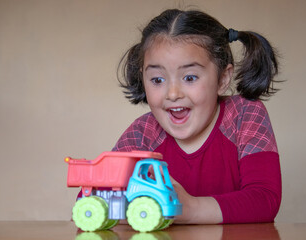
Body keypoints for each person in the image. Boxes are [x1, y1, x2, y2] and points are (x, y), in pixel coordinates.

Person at [114, 8, 282, 224]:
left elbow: (265, 200)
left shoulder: (244, 115)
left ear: (223, 78)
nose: (173, 94)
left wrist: (189, 209)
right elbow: (92, 198)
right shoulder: (142, 134)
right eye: (157, 80)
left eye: (190, 77)